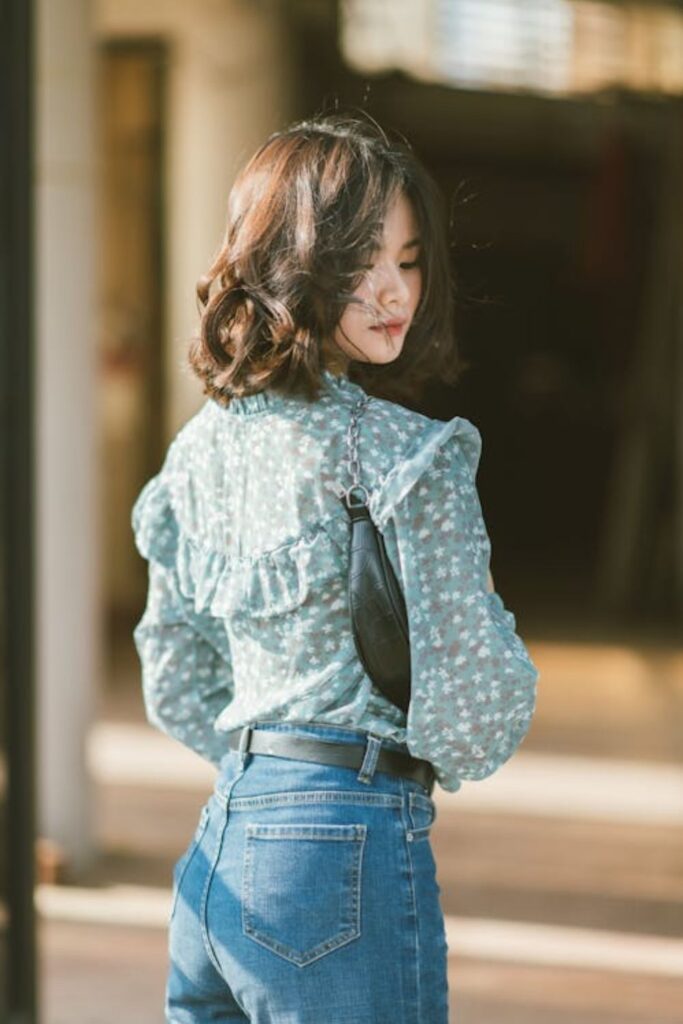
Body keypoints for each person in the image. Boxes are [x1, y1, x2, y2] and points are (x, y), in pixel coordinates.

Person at [131, 111, 539, 1024]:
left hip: (221, 850)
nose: (392, 290)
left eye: (408, 258)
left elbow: (173, 670)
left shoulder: (196, 452)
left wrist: (271, 777)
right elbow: (474, 711)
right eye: (360, 260)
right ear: (291, 264)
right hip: (339, 847)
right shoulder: (407, 457)